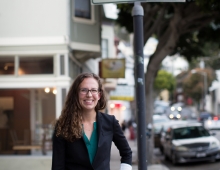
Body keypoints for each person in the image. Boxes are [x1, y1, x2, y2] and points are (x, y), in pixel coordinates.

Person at [52, 73, 132, 170]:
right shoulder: (63, 125)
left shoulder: (110, 122)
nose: (89, 95)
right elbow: (57, 165)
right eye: (84, 90)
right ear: (76, 94)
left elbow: (127, 153)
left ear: (99, 95)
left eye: (93, 90)